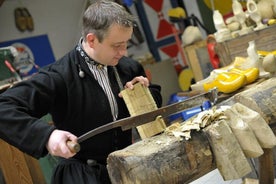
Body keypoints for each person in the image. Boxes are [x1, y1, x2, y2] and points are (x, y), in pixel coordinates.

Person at [0, 1, 162, 183]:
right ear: (92, 40)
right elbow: (3, 108)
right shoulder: (59, 76)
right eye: (117, 45)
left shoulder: (128, 68)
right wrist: (47, 136)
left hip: (126, 169)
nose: (123, 52)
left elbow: (148, 113)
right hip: (83, 176)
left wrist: (145, 93)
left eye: (126, 44)